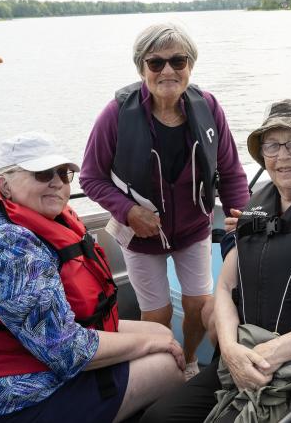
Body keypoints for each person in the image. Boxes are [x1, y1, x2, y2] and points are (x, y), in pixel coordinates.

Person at [141, 99, 291, 422]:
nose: (282, 156)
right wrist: (229, 348)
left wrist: (273, 352)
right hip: (244, 354)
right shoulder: (258, 204)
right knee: (158, 417)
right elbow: (225, 287)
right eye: (272, 145)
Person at [0, 132, 185, 422]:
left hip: (27, 357)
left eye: (63, 174)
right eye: (41, 174)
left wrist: (156, 340)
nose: (57, 182)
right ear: (4, 185)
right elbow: (67, 351)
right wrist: (150, 345)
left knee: (163, 334)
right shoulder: (5, 244)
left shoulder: (26, 219)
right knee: (167, 363)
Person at [80, 23, 250, 379]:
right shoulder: (116, 114)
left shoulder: (209, 108)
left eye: (178, 60)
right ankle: (159, 372)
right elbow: (90, 177)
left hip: (193, 228)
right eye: (156, 63)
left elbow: (231, 172)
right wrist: (128, 211)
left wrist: (244, 225)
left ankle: (187, 363)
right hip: (140, 235)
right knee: (155, 315)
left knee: (199, 304)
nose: (168, 71)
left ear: (190, 65)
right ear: (141, 68)